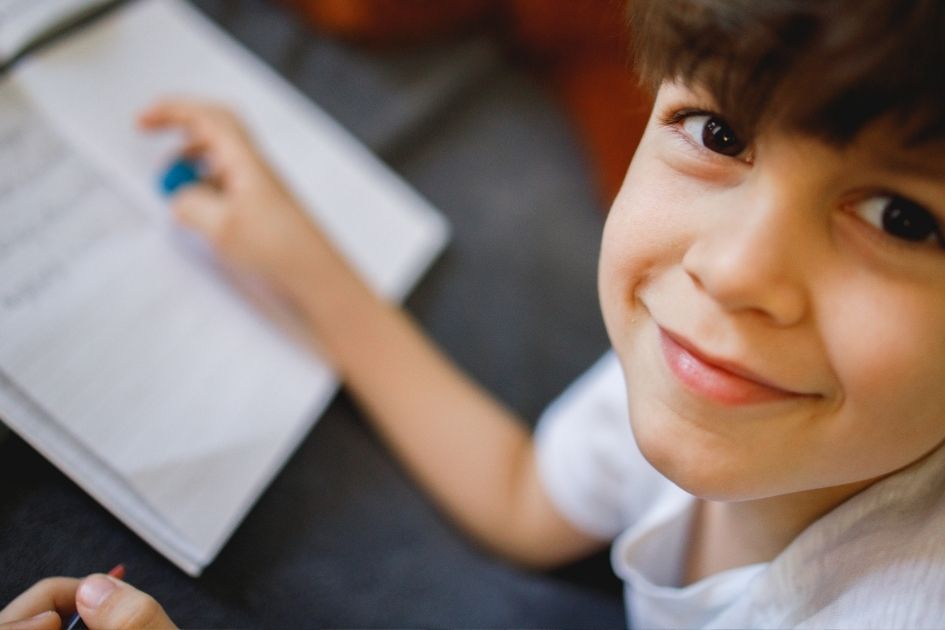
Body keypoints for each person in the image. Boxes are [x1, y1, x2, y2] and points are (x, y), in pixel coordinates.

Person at [4, 0, 945, 626]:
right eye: (717, 132)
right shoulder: (715, 357)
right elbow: (529, 500)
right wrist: (305, 263)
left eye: (901, 218)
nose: (734, 270)